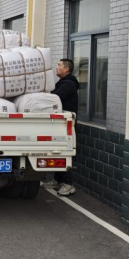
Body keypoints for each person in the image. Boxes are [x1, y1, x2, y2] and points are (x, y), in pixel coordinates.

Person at [48, 58, 79, 196]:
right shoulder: (63, 83)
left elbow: (55, 98)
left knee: (64, 152)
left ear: (66, 69)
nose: (57, 67)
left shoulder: (68, 84)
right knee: (57, 151)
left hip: (66, 125)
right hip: (59, 123)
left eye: (59, 65)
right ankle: (58, 181)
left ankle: (68, 184)